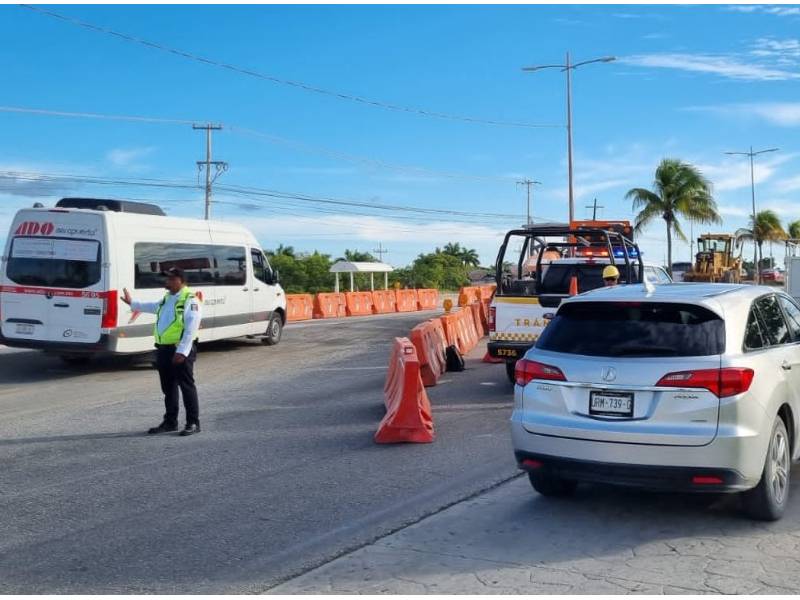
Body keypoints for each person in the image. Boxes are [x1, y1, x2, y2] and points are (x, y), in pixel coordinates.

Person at [121, 267, 203, 436]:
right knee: (169, 388)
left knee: (186, 387)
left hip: (180, 350)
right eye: (166, 279)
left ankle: (193, 423)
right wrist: (133, 303)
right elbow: (153, 306)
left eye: (170, 279)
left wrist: (182, 351)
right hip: (164, 349)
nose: (167, 282)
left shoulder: (190, 299)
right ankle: (170, 422)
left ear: (180, 280)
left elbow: (191, 328)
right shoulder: (167, 298)